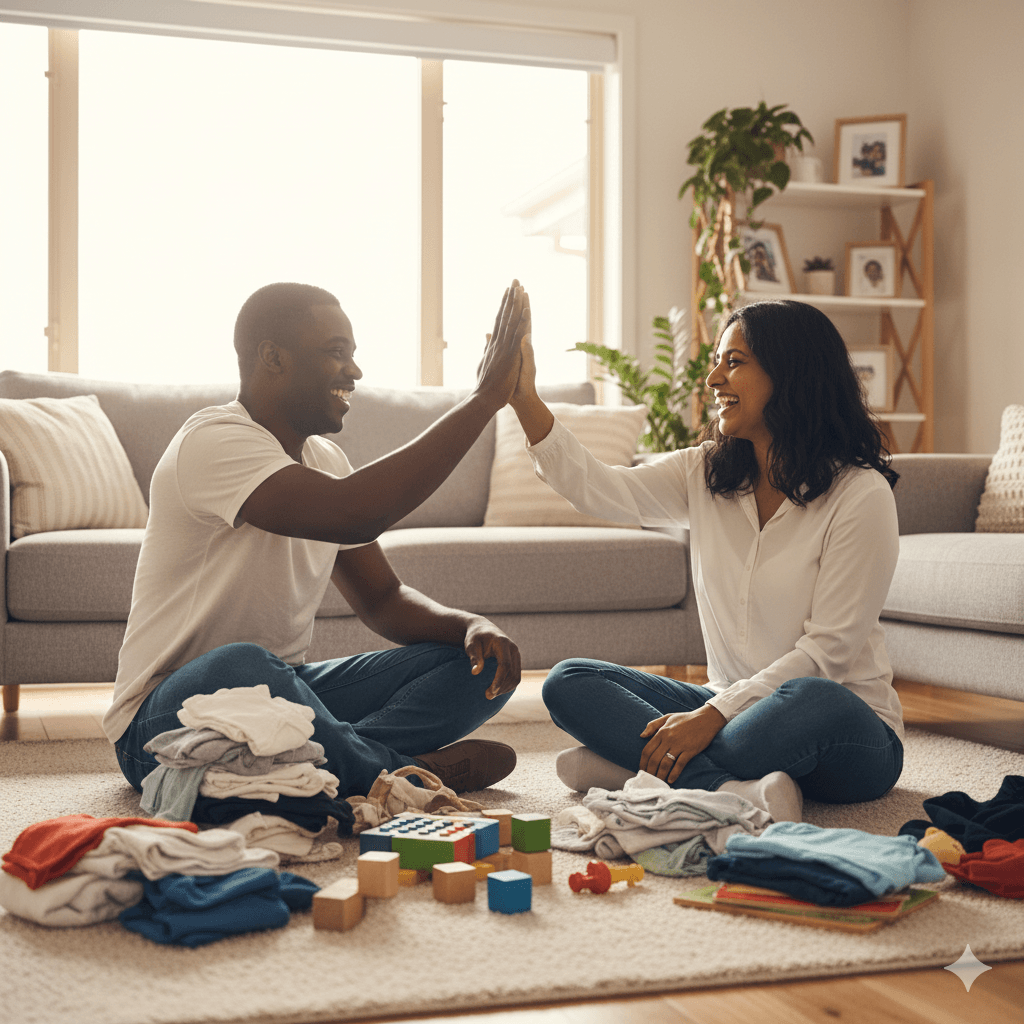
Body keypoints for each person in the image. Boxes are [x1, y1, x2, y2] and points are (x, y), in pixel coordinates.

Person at [103, 279, 531, 800]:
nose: (355, 371)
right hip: (165, 715)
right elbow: (356, 514)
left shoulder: (326, 461)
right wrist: (485, 400)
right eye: (336, 354)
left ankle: (347, 764)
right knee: (245, 664)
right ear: (272, 358)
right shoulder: (212, 441)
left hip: (285, 698)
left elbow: (383, 599)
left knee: (470, 665)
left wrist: (469, 625)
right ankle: (386, 775)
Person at [507, 299, 904, 821]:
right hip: (732, 712)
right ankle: (733, 792)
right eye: (718, 360)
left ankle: (634, 772)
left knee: (810, 697)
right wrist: (523, 398)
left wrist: (711, 716)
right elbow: (600, 490)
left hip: (843, 727)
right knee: (569, 681)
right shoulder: (705, 472)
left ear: (791, 374)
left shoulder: (860, 494)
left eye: (734, 361)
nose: (714, 377)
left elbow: (828, 655)